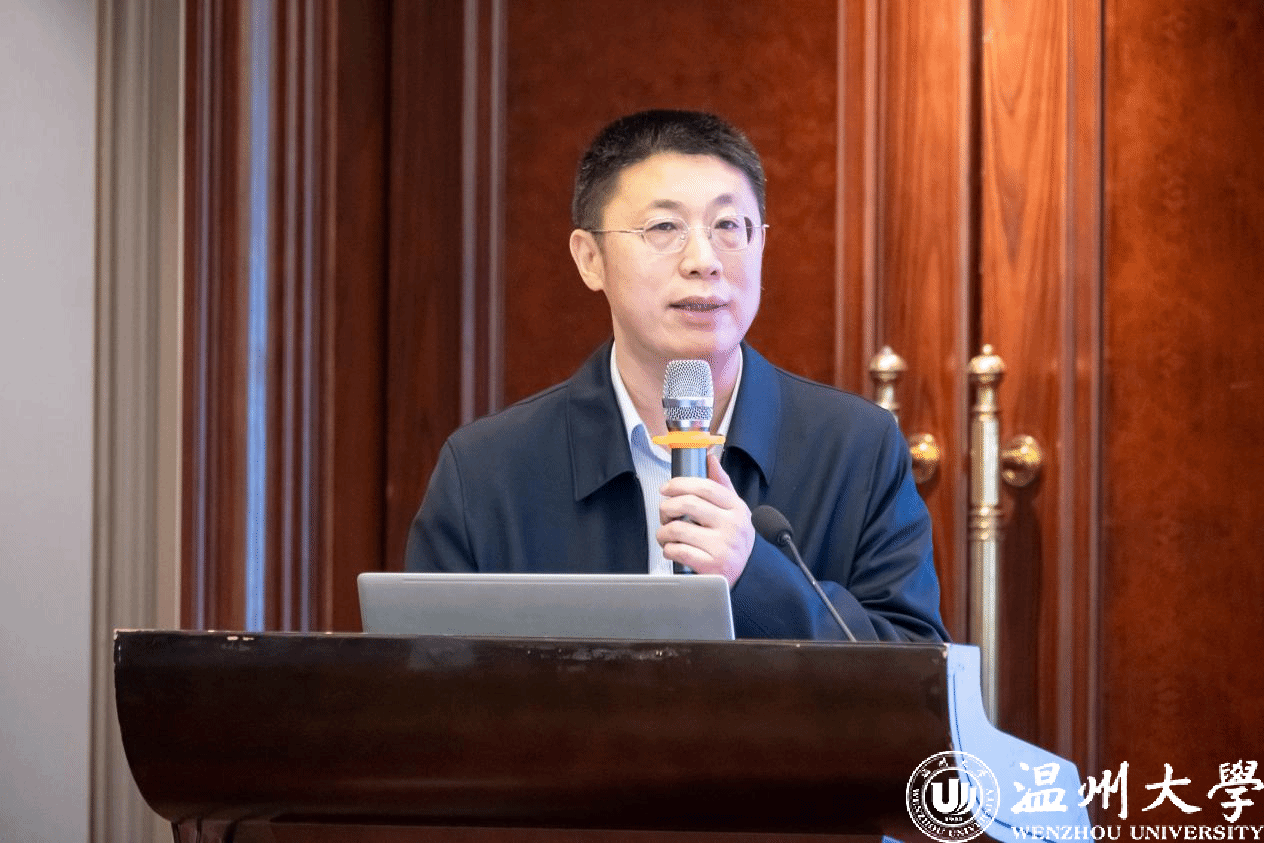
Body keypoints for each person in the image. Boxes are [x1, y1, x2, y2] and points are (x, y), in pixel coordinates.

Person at [404, 109, 947, 641]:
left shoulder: (858, 449)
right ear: (590, 258)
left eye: (729, 226)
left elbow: (916, 669)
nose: (703, 260)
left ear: (761, 243)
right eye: (664, 227)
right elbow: (425, 679)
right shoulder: (485, 471)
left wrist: (753, 575)